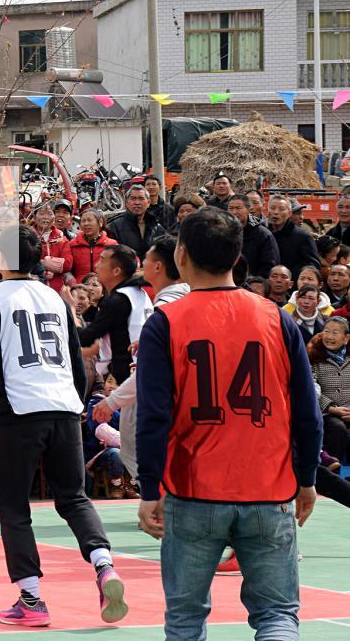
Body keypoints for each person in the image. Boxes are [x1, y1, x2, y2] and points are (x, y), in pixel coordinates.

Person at [135, 208, 322, 640]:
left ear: (181, 255)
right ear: (239, 256)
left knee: (185, 619)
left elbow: (153, 418)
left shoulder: (166, 322)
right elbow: (306, 411)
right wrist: (307, 478)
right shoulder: (277, 318)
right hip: (268, 486)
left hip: (194, 488)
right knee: (277, 616)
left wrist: (148, 489)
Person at [0, 225, 126, 628]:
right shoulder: (55, 297)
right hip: (62, 408)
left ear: (1, 259)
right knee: (74, 498)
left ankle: (31, 599)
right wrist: (75, 404)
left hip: (20, 413)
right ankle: (104, 564)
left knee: (13, 506)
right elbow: (77, 363)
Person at [91, 235, 186, 482]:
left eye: (146, 260)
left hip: (159, 388)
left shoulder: (165, 302)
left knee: (137, 447)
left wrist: (112, 402)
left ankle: (160, 500)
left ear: (157, 267)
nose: (141, 266)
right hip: (168, 386)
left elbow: (152, 367)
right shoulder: (172, 297)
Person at [78, 245, 151, 384]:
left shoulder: (118, 300)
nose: (96, 265)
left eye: (102, 260)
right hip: (142, 368)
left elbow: (87, 337)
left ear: (116, 271)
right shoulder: (138, 292)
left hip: (132, 374)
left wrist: (70, 313)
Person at [309, 315, 350, 465]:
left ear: (346, 339)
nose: (329, 336)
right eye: (326, 331)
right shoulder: (314, 358)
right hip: (327, 413)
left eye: (335, 332)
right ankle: (331, 475)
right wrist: (332, 408)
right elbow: (311, 390)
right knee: (337, 429)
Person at [227, 194, 280, 279]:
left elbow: (269, 267)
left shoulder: (263, 235)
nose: (234, 212)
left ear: (248, 210)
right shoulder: (223, 233)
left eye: (238, 208)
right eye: (231, 208)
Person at [268, 195, 320, 278]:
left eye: (281, 209)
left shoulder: (303, 237)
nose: (276, 212)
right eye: (273, 208)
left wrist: (290, 275)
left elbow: (313, 266)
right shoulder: (264, 234)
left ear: (289, 213)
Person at [106, 185, 162, 260]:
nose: (137, 202)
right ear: (126, 202)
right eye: (133, 198)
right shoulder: (114, 226)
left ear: (148, 203)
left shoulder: (156, 225)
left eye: (141, 198)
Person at [66, 209, 115, 285]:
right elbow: (67, 269)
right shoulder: (72, 245)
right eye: (83, 221)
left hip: (104, 288)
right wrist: (73, 283)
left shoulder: (111, 244)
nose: (86, 224)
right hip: (80, 289)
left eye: (89, 220)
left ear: (100, 222)